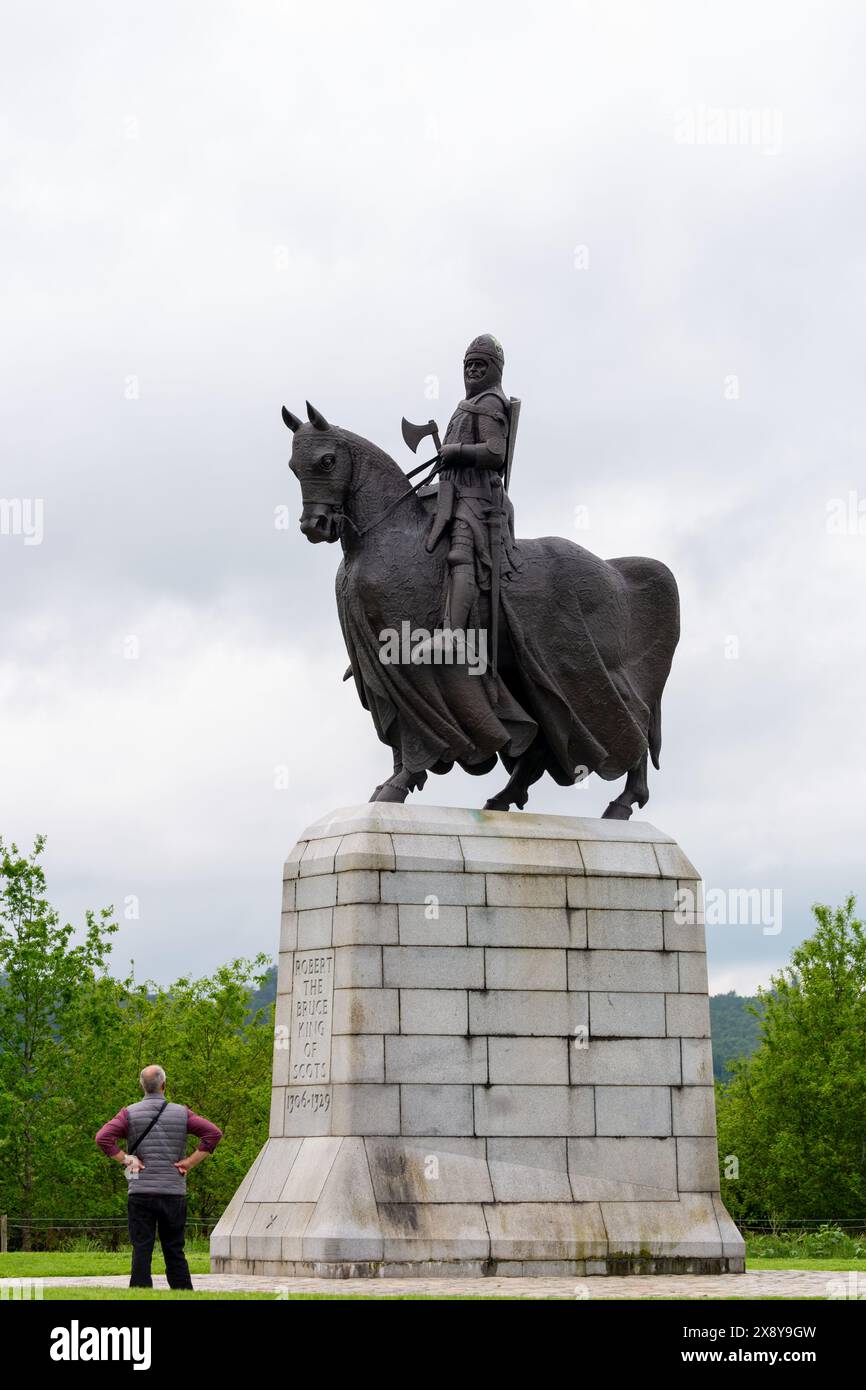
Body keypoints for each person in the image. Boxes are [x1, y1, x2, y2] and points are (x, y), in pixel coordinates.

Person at [95, 1064, 223, 1290]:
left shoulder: (129, 1113)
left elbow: (103, 1138)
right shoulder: (182, 1113)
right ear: (164, 1085)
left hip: (141, 1192)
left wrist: (127, 1159)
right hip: (173, 1191)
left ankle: (140, 1292)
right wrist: (190, 1162)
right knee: (174, 1247)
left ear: (141, 1086)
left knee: (142, 1247)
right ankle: (182, 1292)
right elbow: (213, 1133)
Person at [426, 333, 517, 632]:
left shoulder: (490, 401)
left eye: (480, 365)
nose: (473, 371)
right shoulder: (467, 404)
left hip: (476, 496)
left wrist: (457, 451)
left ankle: (453, 634)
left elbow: (495, 452)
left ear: (494, 369)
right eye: (469, 365)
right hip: (453, 492)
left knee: (460, 555)